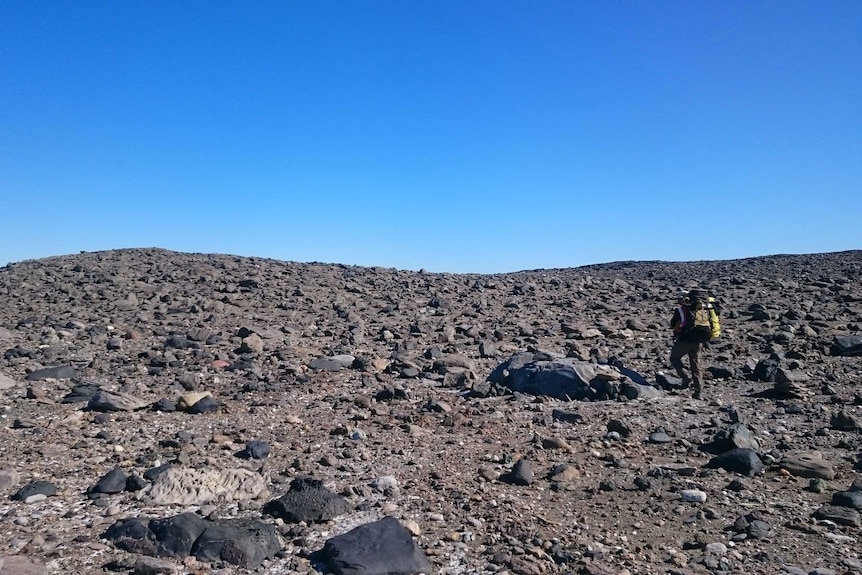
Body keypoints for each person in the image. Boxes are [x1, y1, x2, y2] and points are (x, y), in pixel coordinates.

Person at [670, 289, 713, 400]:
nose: (678, 301)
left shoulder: (680, 310)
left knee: (674, 358)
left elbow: (673, 324)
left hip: (685, 340)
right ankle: (698, 392)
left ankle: (685, 377)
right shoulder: (701, 309)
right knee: (696, 366)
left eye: (679, 298)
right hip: (698, 342)